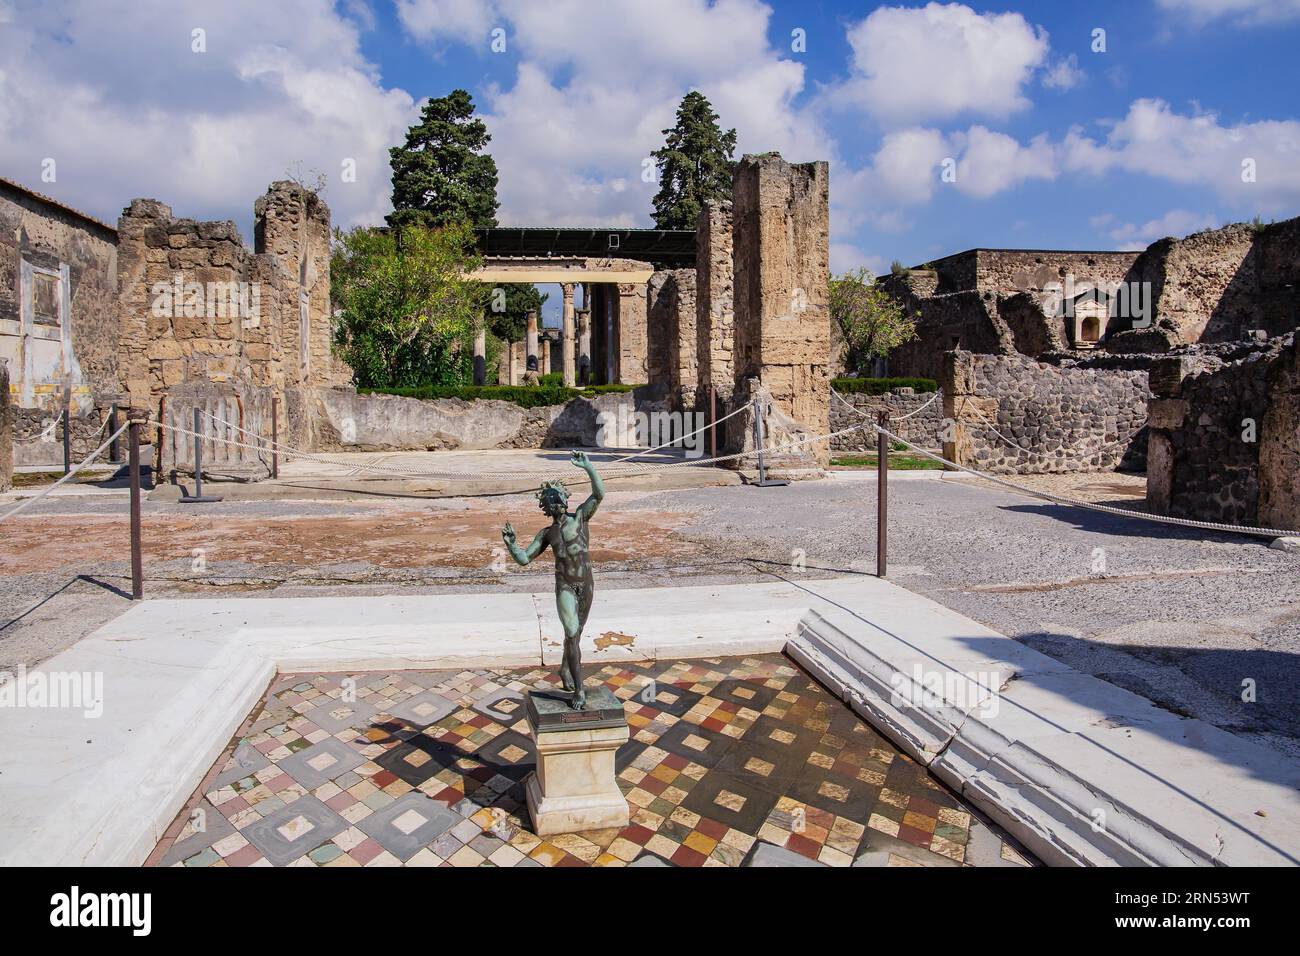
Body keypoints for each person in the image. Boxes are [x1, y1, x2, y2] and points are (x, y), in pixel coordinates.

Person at [502, 450, 604, 709]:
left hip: (587, 584)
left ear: (565, 498)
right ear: (545, 506)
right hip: (566, 586)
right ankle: (579, 691)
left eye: (558, 494)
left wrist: (589, 467)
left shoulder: (580, 518)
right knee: (571, 631)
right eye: (550, 498)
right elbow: (525, 558)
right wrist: (512, 544)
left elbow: (599, 494)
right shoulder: (547, 533)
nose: (555, 499)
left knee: (576, 635)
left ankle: (564, 669)